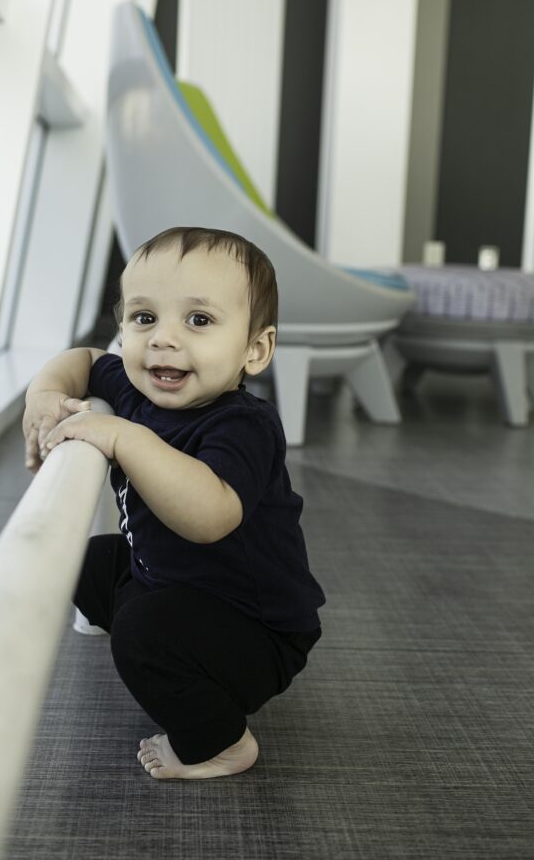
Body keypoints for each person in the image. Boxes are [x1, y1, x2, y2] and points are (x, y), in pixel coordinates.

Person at [22, 226, 325, 780]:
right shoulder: (136, 390)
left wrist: (120, 436)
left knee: (144, 633)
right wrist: (43, 393)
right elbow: (83, 358)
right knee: (84, 559)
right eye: (144, 318)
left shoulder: (243, 425)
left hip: (253, 628)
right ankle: (143, 632)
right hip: (172, 581)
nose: (163, 339)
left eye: (199, 320)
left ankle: (222, 744)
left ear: (255, 350)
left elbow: (209, 517)